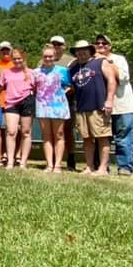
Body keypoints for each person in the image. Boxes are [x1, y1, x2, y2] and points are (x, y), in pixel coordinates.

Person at [69, 40, 118, 176]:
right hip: (81, 107)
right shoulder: (73, 68)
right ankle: (89, 166)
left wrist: (109, 100)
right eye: (78, 50)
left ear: (90, 50)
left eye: (84, 49)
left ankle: (102, 168)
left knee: (102, 137)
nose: (81, 52)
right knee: (86, 138)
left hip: (98, 106)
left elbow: (112, 80)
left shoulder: (100, 62)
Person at [95, 34, 133, 176]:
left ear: (110, 46)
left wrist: (107, 61)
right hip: (101, 107)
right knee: (101, 138)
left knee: (123, 138)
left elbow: (123, 78)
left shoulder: (119, 59)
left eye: (104, 43)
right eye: (98, 43)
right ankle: (101, 167)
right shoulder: (92, 61)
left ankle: (124, 167)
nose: (101, 45)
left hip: (122, 106)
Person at [0, 48, 39, 169]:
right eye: (14, 58)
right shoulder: (6, 72)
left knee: (26, 132)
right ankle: (10, 161)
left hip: (27, 101)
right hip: (11, 103)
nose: (17, 61)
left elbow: (37, 89)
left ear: (24, 58)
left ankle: (23, 162)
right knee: (11, 131)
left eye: (19, 58)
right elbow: (0, 88)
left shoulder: (31, 73)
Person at [36, 45, 72, 172]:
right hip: (42, 107)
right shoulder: (36, 72)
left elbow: (69, 85)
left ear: (55, 56)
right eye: (45, 56)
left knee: (59, 135)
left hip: (59, 106)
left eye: (50, 56)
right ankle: (49, 164)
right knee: (46, 136)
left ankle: (58, 164)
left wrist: (60, 94)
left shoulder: (62, 70)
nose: (48, 58)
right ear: (42, 57)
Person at [49, 35, 77, 171]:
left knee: (67, 131)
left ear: (64, 46)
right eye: (53, 44)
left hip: (68, 101)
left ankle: (71, 158)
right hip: (49, 103)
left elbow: (75, 81)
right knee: (51, 131)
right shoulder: (44, 60)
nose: (56, 47)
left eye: (59, 44)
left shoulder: (71, 61)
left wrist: (69, 89)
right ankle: (53, 158)